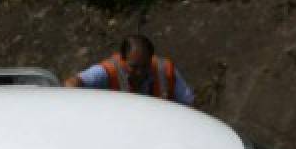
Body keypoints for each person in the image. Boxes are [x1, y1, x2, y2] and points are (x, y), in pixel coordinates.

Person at [64, 34, 197, 106]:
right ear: (122, 59)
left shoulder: (165, 70)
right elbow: (71, 84)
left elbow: (190, 106)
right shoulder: (108, 71)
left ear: (151, 59)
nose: (139, 72)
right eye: (134, 67)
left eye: (145, 66)